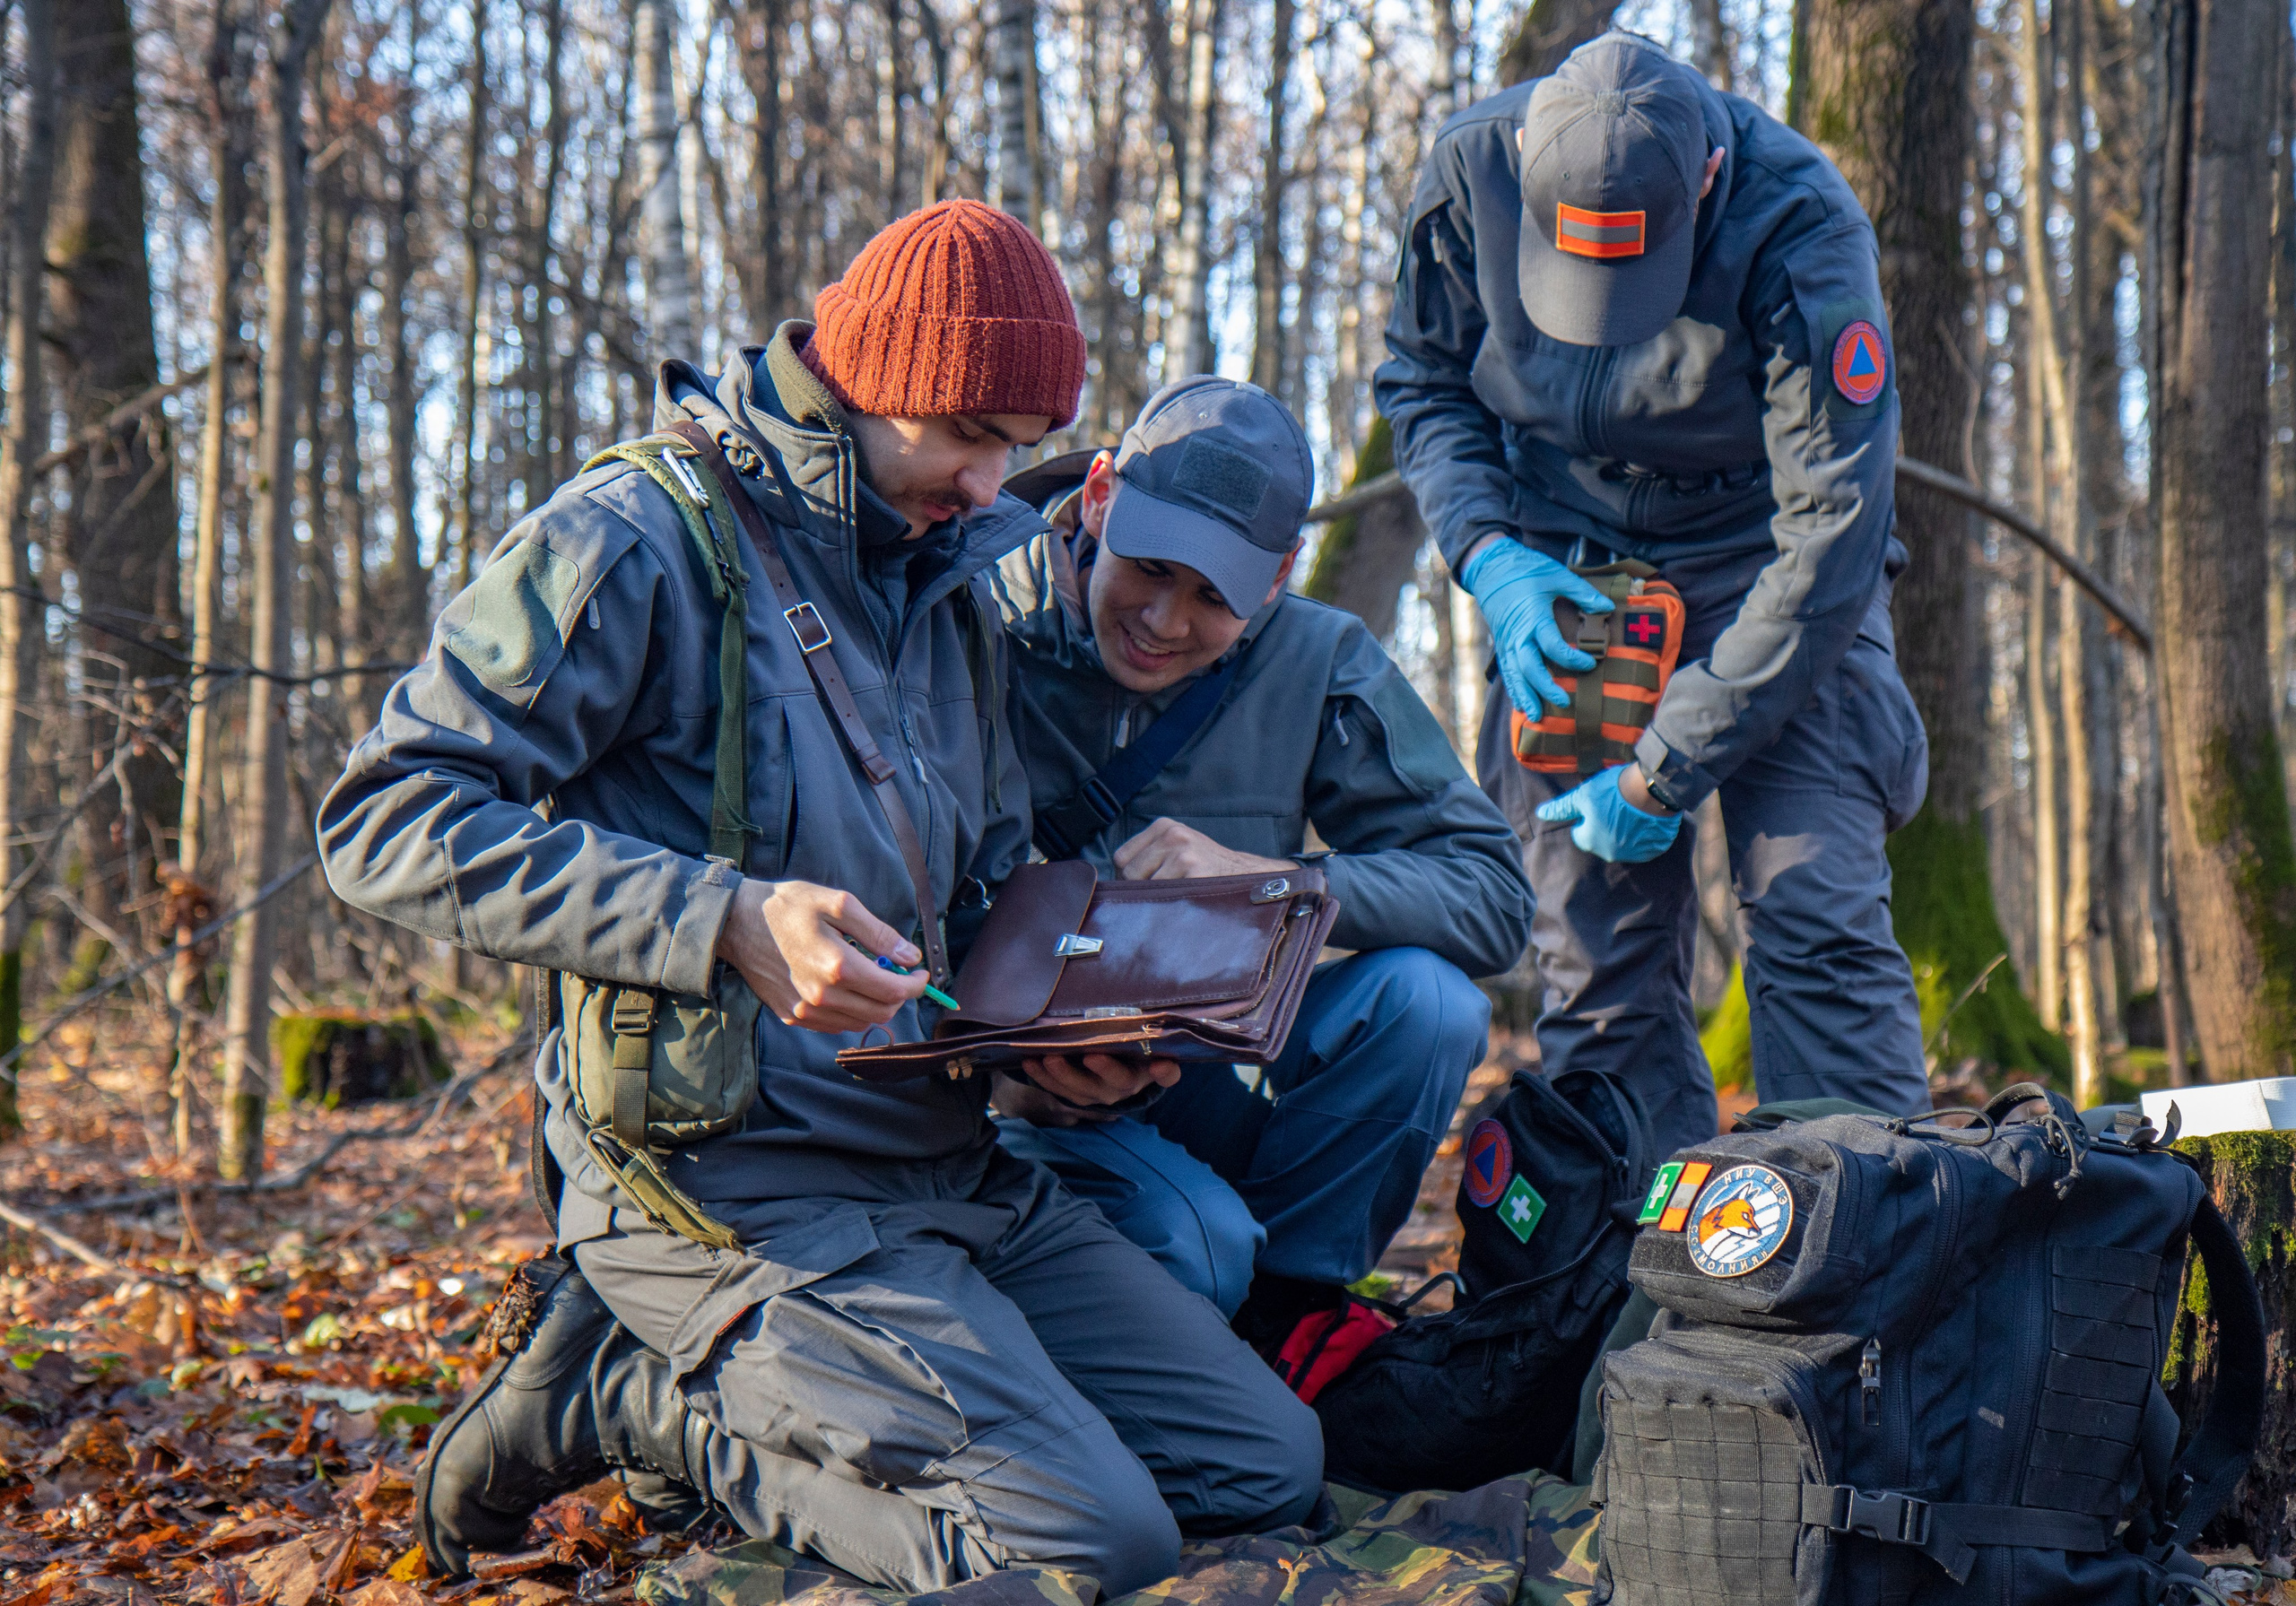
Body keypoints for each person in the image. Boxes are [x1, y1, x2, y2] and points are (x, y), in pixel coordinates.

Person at [318, 200, 1322, 1597]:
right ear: (870, 380)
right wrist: (721, 918)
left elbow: (978, 889)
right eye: (967, 435)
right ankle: (642, 1400)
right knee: (1090, 1544)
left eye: (1019, 445)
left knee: (1263, 1465)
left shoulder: (950, 582)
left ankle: (721, 1391)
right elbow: (384, 817)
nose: (991, 482)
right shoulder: (639, 538)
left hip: (947, 1165)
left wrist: (1054, 1043)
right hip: (723, 1187)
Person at [1376, 30, 1931, 1156]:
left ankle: (1860, 1238)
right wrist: (1490, 554)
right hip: (1563, 566)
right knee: (1593, 955)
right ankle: (1635, 1251)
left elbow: (1832, 528)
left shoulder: (1799, 223)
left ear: (1708, 178)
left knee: (1816, 915)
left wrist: (1668, 766)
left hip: (1764, 562)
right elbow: (1425, 380)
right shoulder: (1472, 167)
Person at [988, 377, 1533, 1343]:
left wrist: (1270, 888)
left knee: (1429, 1003)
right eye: (1150, 568)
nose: (1164, 621)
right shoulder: (969, 612)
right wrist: (1005, 1069)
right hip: (1003, 1083)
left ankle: (1289, 1325)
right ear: (1101, 496)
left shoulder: (1316, 659)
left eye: (1214, 597)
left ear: (1278, 578)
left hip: (1198, 1066)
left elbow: (1491, 897)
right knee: (1194, 1242)